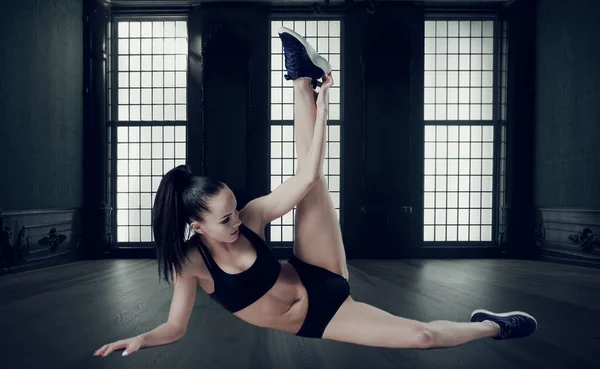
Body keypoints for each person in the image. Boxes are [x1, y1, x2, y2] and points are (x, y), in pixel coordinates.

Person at [94, 27, 537, 358]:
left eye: (235, 210)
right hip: (319, 318)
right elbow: (175, 327)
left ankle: (301, 79)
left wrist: (325, 108)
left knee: (312, 183)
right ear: (196, 226)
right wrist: (143, 338)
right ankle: (493, 327)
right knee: (421, 337)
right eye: (225, 219)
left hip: (316, 272)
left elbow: (305, 177)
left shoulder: (250, 218)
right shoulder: (190, 264)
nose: (237, 221)